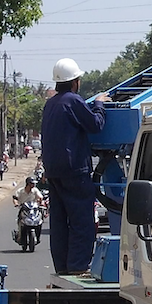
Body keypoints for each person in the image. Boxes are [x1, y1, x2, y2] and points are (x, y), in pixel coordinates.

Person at [41, 58, 110, 276]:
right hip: (74, 171)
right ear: (75, 82)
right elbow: (95, 125)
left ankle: (62, 267)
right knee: (82, 221)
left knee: (60, 223)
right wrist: (99, 104)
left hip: (53, 171)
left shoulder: (50, 104)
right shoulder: (73, 101)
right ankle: (79, 266)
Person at [13, 176, 45, 244]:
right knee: (20, 222)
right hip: (24, 210)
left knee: (39, 221)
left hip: (33, 210)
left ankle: (38, 236)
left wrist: (41, 202)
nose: (33, 185)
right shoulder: (20, 191)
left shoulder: (35, 190)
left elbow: (40, 197)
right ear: (28, 184)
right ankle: (19, 235)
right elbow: (15, 198)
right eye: (32, 183)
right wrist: (16, 203)